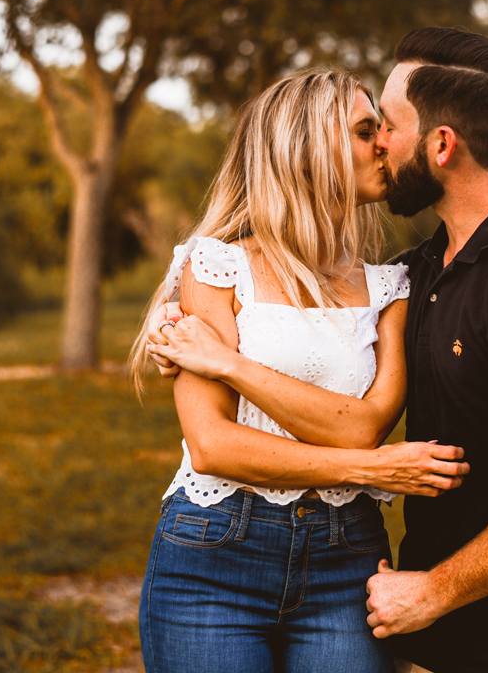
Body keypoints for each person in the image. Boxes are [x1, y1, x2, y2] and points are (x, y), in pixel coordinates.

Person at [151, 28, 488, 673]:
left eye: (384, 125)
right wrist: (193, 346)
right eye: (369, 129)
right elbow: (238, 419)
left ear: (441, 146)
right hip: (445, 631)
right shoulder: (423, 273)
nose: (381, 143)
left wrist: (431, 589)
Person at [131, 69, 469, 673]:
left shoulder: (391, 288)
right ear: (310, 148)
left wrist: (229, 365)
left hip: (348, 558)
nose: (384, 144)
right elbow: (213, 446)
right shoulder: (213, 266)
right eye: (367, 130)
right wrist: (370, 470)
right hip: (213, 554)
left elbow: (362, 426)